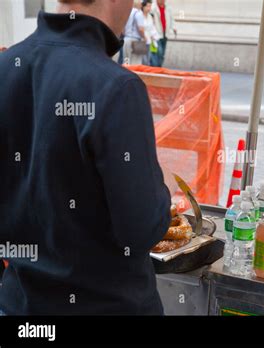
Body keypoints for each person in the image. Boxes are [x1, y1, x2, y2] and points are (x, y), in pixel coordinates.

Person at [0, 0, 172, 315]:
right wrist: (160, 192)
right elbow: (142, 229)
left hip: (20, 307)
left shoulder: (6, 65)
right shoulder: (116, 87)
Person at [151, 0, 177, 67]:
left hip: (165, 33)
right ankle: (156, 67)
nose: (163, 1)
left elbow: (172, 19)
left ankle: (159, 66)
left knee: (162, 53)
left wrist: (174, 28)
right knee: (159, 51)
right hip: (156, 34)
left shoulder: (168, 8)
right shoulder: (153, 7)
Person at [123, 0, 146, 65]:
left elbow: (123, 29)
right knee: (136, 62)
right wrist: (144, 37)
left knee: (126, 61)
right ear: (139, 4)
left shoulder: (127, 12)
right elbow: (141, 29)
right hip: (136, 40)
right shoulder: (138, 13)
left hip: (126, 39)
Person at [142, 0, 160, 66]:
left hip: (149, 41)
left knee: (147, 60)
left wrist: (155, 37)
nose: (149, 8)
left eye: (150, 6)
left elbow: (152, 28)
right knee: (142, 60)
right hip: (141, 41)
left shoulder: (150, 16)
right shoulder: (139, 15)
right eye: (147, 6)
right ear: (143, 7)